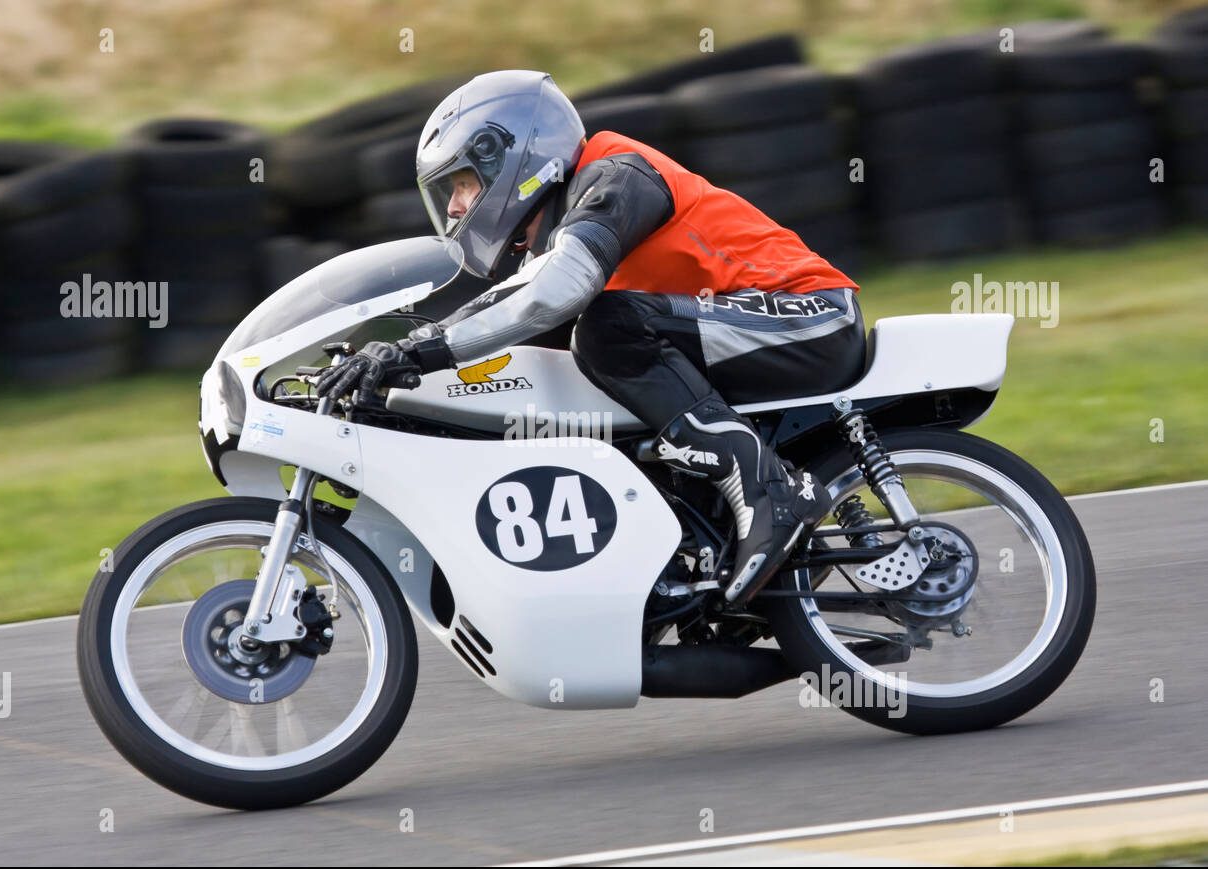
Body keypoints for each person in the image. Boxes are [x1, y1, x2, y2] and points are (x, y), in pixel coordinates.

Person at [316, 70, 866, 608]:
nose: (456, 207)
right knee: (563, 356)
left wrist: (414, 349)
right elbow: (511, 321)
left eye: (462, 183)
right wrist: (393, 398)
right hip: (749, 334)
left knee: (606, 328)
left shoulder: (616, 173)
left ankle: (767, 488)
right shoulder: (557, 238)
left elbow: (549, 293)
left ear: (513, 158)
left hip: (809, 318)